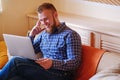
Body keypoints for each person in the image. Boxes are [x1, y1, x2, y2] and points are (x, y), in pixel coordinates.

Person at [0, 3, 82, 80]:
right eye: (41, 20)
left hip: (61, 74)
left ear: (55, 15)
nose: (44, 23)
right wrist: (32, 35)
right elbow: (31, 51)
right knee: (14, 77)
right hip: (43, 70)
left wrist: (52, 63)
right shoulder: (44, 34)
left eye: (46, 19)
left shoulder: (70, 35)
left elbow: (74, 62)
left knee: (16, 61)